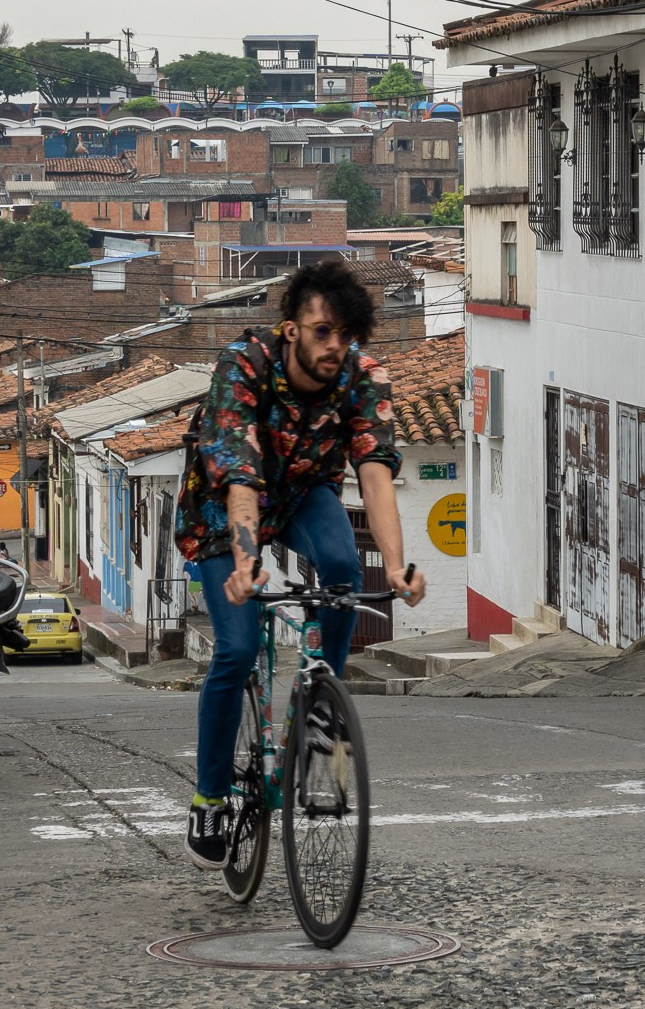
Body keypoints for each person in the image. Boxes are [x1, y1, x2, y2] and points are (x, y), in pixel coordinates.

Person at [175, 260, 425, 871]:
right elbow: (237, 471)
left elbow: (374, 470)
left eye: (344, 333)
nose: (334, 346)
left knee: (344, 569)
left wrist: (395, 567)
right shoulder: (242, 365)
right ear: (291, 331)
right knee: (234, 650)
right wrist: (245, 560)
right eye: (321, 332)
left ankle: (324, 707)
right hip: (222, 508)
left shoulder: (363, 377)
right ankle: (210, 795)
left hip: (303, 494)